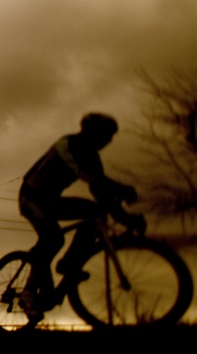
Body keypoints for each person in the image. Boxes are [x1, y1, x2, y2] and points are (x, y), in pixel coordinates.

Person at [17, 112, 144, 324]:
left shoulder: (93, 157)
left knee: (96, 212)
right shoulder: (68, 144)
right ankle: (28, 293)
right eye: (106, 135)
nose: (108, 141)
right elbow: (88, 175)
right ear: (91, 132)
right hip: (31, 197)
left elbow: (101, 193)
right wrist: (120, 189)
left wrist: (125, 218)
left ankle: (70, 262)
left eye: (111, 137)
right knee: (54, 239)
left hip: (50, 200)